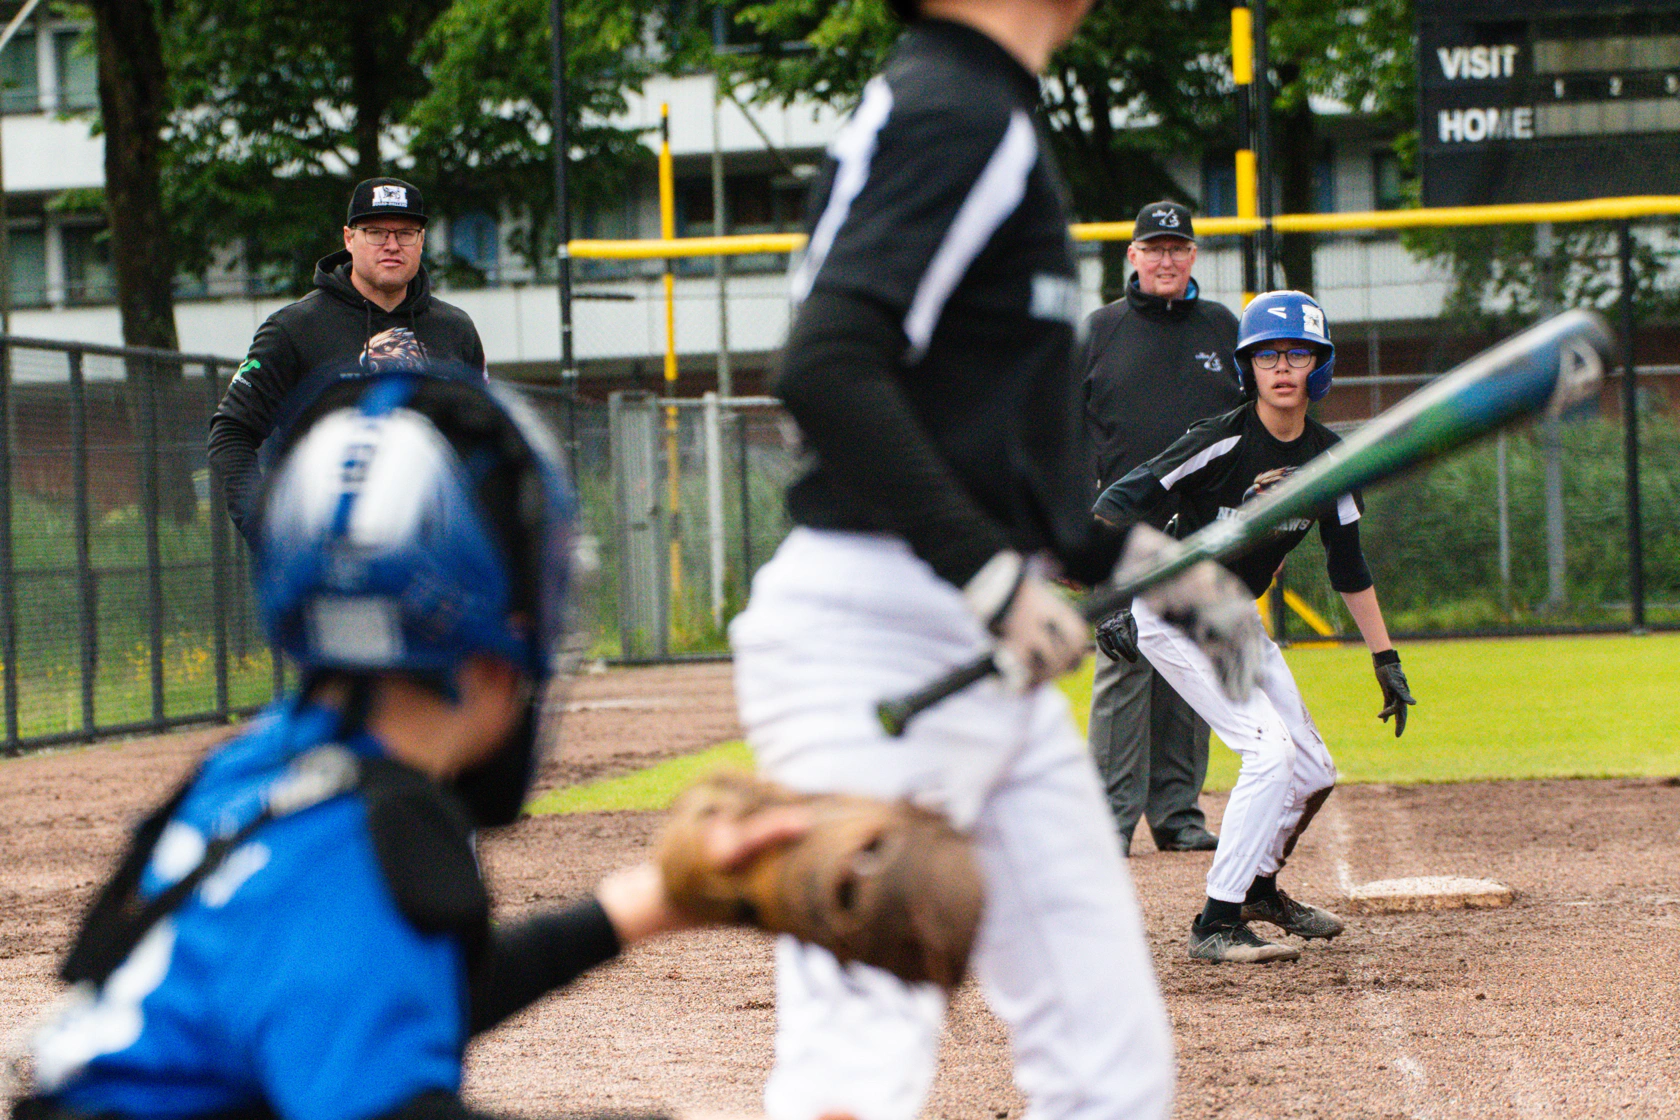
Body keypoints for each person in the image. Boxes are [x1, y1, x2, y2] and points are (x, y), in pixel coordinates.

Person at [14, 369, 797, 1120]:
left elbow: (376, 996)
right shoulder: (373, 836)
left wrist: (639, 906)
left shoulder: (259, 765)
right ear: (502, 650)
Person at [725, 1, 1215, 1117]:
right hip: (879, 645)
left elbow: (997, 447)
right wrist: (990, 576)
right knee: (856, 1069)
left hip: (973, 647)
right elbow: (826, 367)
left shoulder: (979, 106)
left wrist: (1138, 554)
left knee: (1109, 1064)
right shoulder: (958, 109)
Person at [1092, 290, 1418, 965]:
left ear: (1318, 367)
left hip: (1233, 618)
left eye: (1298, 353)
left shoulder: (1333, 460)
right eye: (1266, 353)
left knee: (1311, 770)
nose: (1282, 366)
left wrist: (1385, 658)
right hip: (1176, 608)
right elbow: (1121, 504)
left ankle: (1261, 888)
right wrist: (1112, 598)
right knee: (1268, 753)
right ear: (1247, 365)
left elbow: (1349, 564)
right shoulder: (1222, 439)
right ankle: (1216, 922)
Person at [1081, 200, 1243, 857]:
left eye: (1178, 247)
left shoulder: (1221, 327)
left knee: (1193, 667)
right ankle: (1109, 821)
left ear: (1194, 256)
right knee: (1125, 664)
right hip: (1121, 528)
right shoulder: (1100, 330)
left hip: (1202, 529)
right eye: (1154, 247)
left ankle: (1177, 812)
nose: (1167, 258)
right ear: (1133, 257)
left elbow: (1245, 425)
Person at [207, 177, 487, 543]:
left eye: (405, 233)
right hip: (328, 560)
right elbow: (231, 433)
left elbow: (484, 438)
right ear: (348, 238)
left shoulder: (457, 330)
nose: (391, 245)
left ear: (421, 241)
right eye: (375, 232)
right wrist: (269, 529)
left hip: (438, 560)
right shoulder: (293, 329)